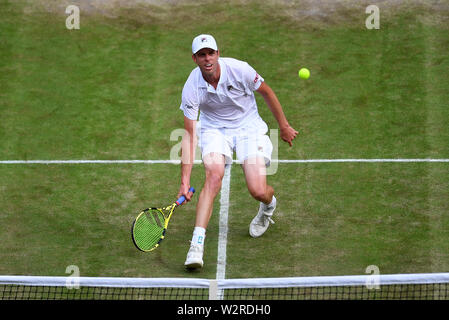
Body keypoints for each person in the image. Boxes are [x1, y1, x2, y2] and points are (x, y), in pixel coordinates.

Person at [177, 34, 298, 269]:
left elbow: (267, 92)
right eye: (202, 55)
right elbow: (190, 136)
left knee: (257, 189)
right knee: (213, 175)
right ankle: (196, 244)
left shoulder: (239, 69)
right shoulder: (191, 87)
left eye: (211, 53)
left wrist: (283, 126)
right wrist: (184, 180)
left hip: (248, 128)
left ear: (218, 54)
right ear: (195, 59)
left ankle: (268, 204)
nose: (207, 58)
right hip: (215, 129)